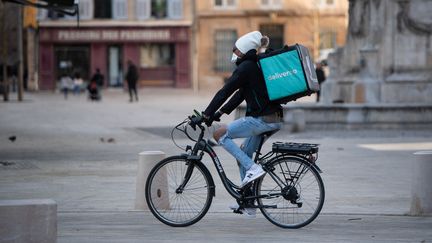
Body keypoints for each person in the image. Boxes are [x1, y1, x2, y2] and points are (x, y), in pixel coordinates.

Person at [191, 31, 283, 218]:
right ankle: (248, 202)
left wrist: (205, 115)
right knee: (243, 152)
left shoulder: (246, 67)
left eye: (235, 49)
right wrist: (217, 113)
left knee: (219, 135)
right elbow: (239, 95)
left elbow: (224, 92)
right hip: (273, 117)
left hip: (262, 118)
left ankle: (253, 168)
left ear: (242, 49)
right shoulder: (253, 65)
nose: (233, 52)